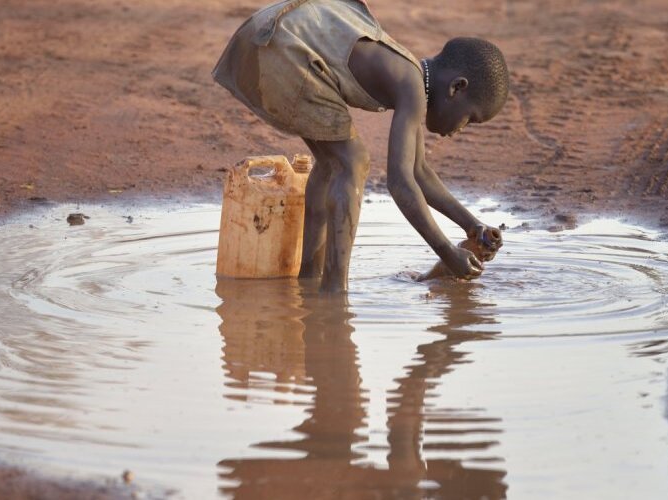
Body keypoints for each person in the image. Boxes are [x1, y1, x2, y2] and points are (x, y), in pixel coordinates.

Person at [213, 0, 508, 292]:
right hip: (282, 47)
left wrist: (472, 225)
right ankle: (333, 294)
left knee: (331, 165)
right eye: (470, 119)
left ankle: (309, 279)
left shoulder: (410, 78)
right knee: (351, 162)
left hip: (265, 37)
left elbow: (419, 172)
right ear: (457, 88)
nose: (460, 130)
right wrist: (446, 251)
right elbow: (400, 183)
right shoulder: (412, 88)